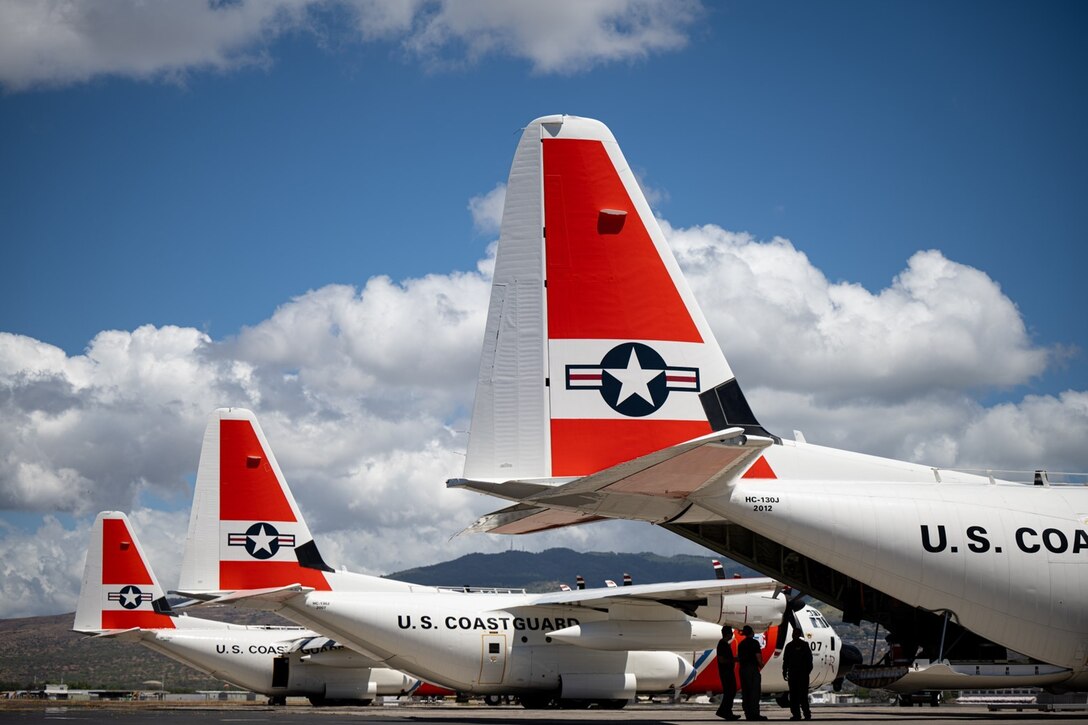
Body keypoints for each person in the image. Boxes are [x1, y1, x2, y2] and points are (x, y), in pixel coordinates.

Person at [782, 628, 813, 720]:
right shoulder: (791, 646)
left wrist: (806, 672)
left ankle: (803, 714)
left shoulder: (799, 645)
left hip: (799, 674)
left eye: (795, 633)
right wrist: (784, 671)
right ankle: (800, 714)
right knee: (797, 696)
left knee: (800, 696)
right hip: (796, 674)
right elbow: (786, 661)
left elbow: (809, 661)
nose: (793, 634)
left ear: (798, 634)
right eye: (793, 633)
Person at [737, 624, 767, 720]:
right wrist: (761, 665)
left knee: (746, 692)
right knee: (754, 693)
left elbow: (739, 658)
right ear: (751, 633)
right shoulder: (754, 643)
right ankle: (755, 714)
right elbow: (758, 656)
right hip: (752, 669)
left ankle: (748, 714)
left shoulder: (741, 644)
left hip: (743, 669)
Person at [715, 626, 740, 720]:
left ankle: (726, 711)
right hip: (726, 672)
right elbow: (721, 660)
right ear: (728, 634)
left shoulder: (724, 644)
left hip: (727, 672)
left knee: (730, 691)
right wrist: (734, 659)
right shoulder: (722, 644)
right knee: (730, 691)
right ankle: (724, 711)